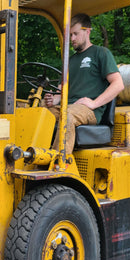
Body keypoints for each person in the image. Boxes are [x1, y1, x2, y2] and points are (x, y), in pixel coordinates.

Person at [44, 13, 124, 154]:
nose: (72, 39)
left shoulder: (101, 53)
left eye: (75, 34)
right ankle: (34, 157)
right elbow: (61, 90)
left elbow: (118, 84)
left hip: (88, 111)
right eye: (70, 35)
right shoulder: (70, 61)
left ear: (87, 31)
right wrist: (53, 99)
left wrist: (93, 103)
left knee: (67, 116)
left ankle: (59, 164)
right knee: (38, 112)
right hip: (67, 106)